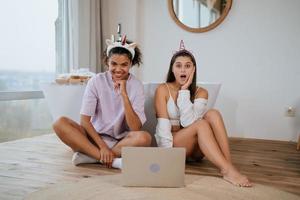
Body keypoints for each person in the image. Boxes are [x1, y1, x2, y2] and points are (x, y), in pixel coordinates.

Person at [154, 40, 251, 187]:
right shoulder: (163, 89)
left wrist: (185, 90)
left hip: (196, 151)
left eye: (188, 66)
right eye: (178, 66)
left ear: (194, 69)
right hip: (175, 146)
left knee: (213, 114)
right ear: (172, 69)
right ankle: (227, 170)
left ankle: (229, 165)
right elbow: (163, 126)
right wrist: (167, 156)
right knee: (201, 124)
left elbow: (188, 122)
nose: (183, 70)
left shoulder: (202, 92)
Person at [53, 35, 152, 169]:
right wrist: (102, 147)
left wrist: (124, 94)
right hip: (93, 138)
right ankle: (113, 160)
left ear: (131, 64)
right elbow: (85, 122)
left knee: (144, 138)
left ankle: (90, 156)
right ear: (107, 62)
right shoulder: (96, 81)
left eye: (124, 64)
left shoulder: (136, 86)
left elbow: (135, 128)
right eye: (114, 64)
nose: (118, 69)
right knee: (60, 123)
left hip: (120, 142)